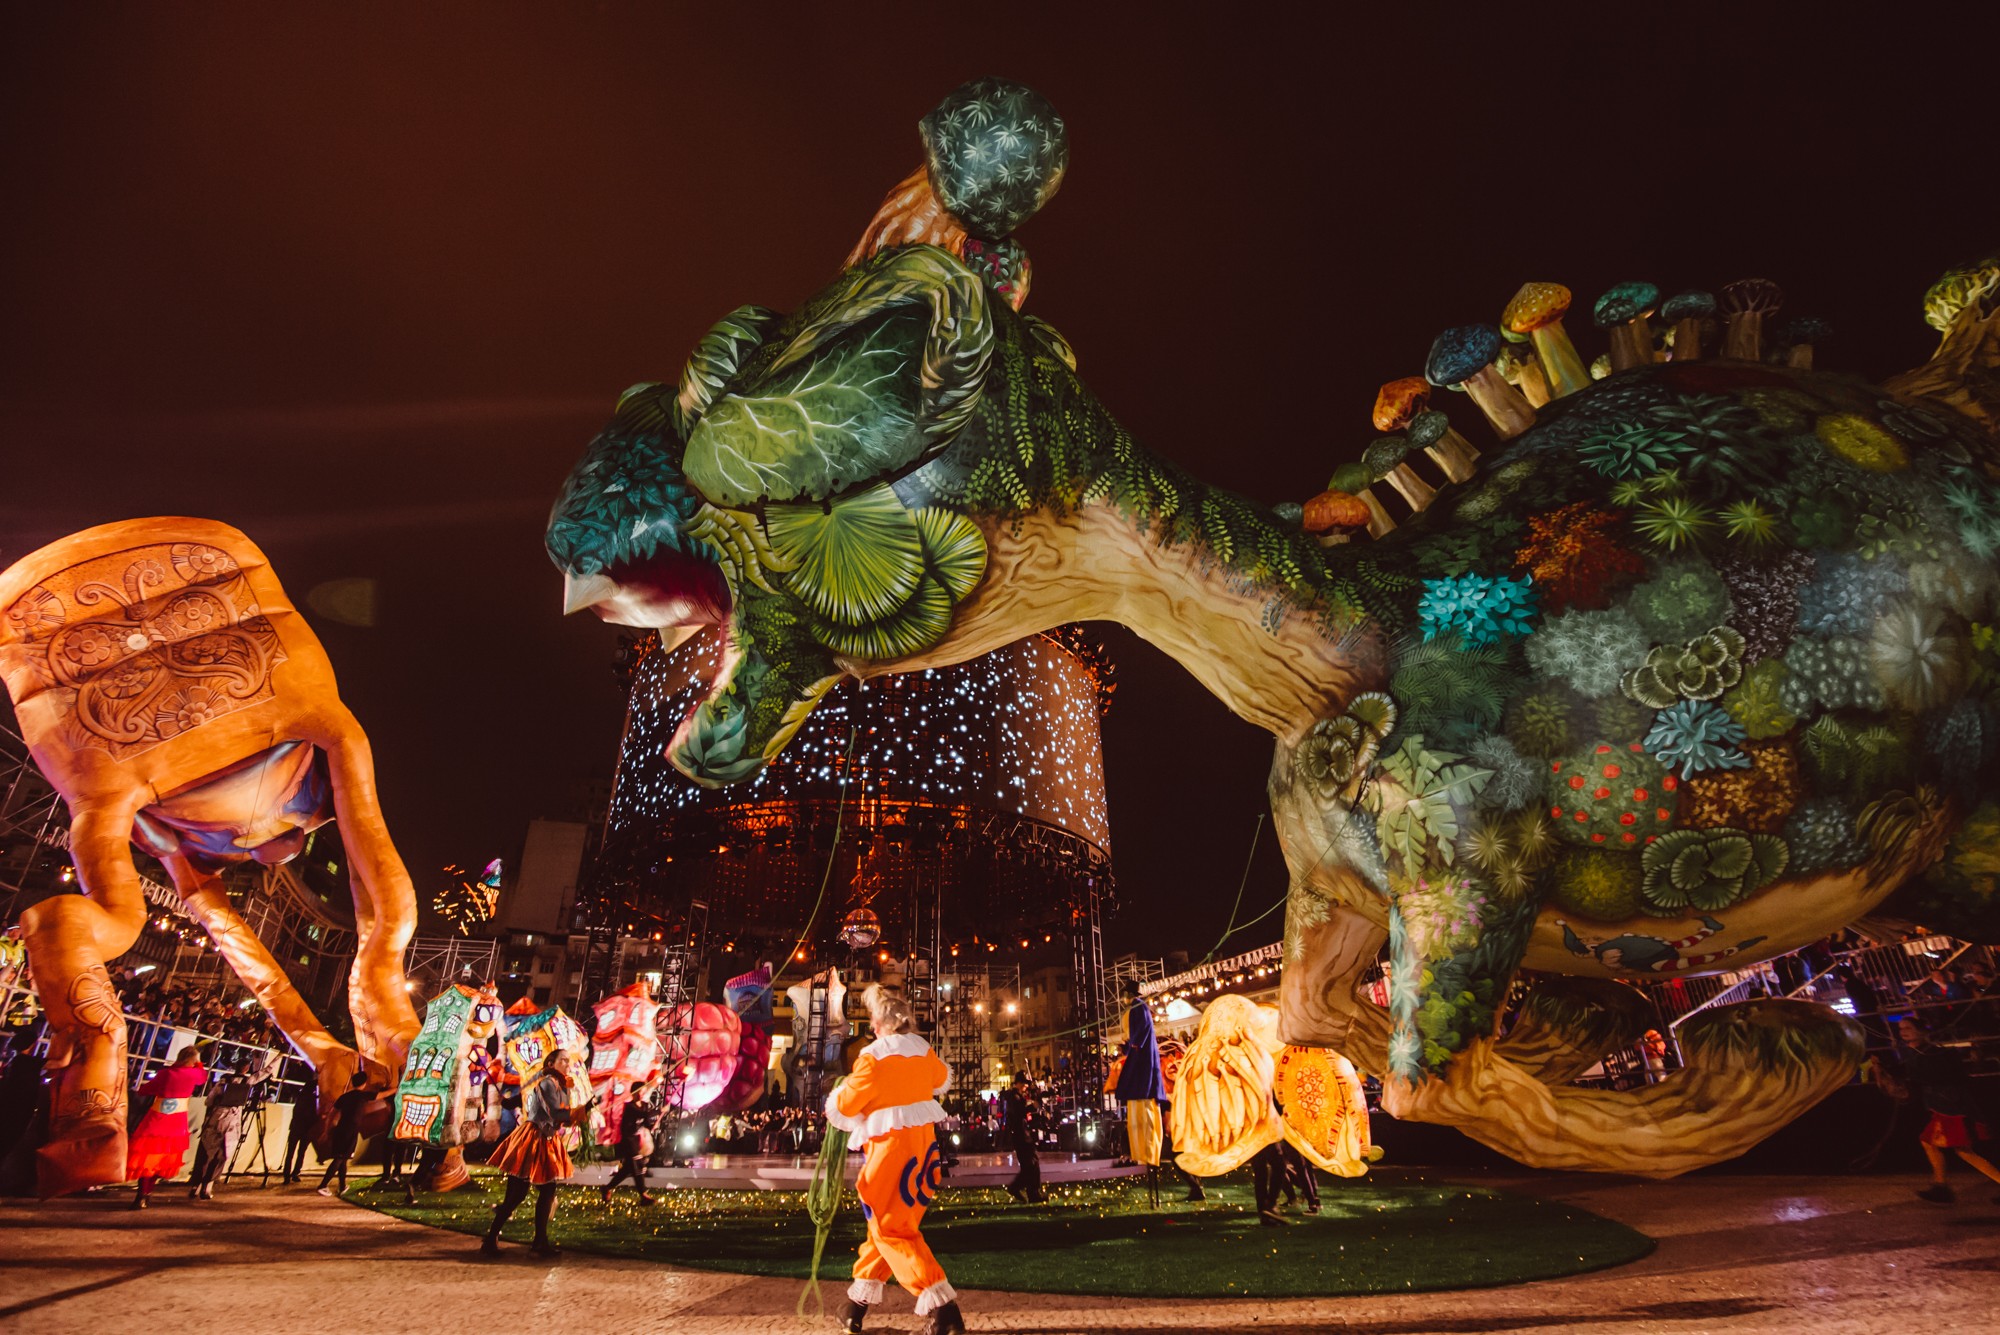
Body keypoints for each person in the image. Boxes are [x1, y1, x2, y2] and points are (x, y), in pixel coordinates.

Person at [826, 986, 961, 1335]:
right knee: (889, 1226)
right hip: (924, 1155)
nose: (871, 1025)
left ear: (881, 1023)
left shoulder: (873, 1057)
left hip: (890, 1153)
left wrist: (841, 1090)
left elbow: (844, 1106)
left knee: (890, 1228)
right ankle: (855, 1306)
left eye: (873, 1019)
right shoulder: (923, 1050)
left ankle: (943, 1308)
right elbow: (941, 1079)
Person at [483, 1049, 593, 1256]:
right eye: (563, 1060)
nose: (567, 1064)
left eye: (568, 1061)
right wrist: (580, 1110)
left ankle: (531, 1241)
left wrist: (582, 1111)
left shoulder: (561, 1085)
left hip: (546, 1138)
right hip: (533, 1139)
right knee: (522, 1194)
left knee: (538, 1192)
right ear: (550, 1064)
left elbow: (563, 1118)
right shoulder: (547, 1083)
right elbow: (556, 1113)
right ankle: (513, 1240)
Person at [1891, 1016, 2000, 1205]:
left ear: (1921, 1031)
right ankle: (1941, 1187)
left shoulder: (1934, 1053)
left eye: (1908, 1028)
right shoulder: (1914, 1053)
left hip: (1951, 1107)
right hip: (1943, 1106)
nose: (1903, 1032)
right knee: (1935, 1144)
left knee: (1962, 1150)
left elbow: (1934, 1076)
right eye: (1901, 1029)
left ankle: (1942, 1188)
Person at [128, 1046, 208, 1207]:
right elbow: (203, 1077)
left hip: (157, 1120)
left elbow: (145, 1090)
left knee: (147, 1159)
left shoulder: (166, 1073)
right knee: (163, 1160)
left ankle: (141, 1195)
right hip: (177, 1124)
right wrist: (199, 1064)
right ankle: (147, 1193)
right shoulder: (194, 1073)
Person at [1113, 981, 1165, 1176]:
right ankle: (1143, 1154)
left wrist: (1133, 1044)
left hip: (1142, 1065)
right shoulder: (1138, 1007)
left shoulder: (1138, 1007)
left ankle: (1147, 1154)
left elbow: (1140, 1033)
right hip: (1140, 1060)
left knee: (1144, 1110)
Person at [190, 1060, 253, 1199]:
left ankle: (196, 1186)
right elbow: (263, 1073)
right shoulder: (247, 1082)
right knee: (221, 1155)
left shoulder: (224, 1081)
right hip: (231, 1122)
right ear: (247, 1068)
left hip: (216, 1118)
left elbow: (209, 1101)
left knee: (205, 1153)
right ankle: (207, 1187)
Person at [601, 1076, 660, 1205]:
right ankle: (643, 1195)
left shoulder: (644, 1105)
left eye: (643, 1092)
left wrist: (651, 1126)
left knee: (628, 1169)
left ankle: (607, 1188)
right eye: (639, 1092)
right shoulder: (629, 1107)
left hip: (638, 1140)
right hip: (628, 1140)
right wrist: (660, 1110)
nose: (641, 1094)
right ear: (633, 1093)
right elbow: (644, 1115)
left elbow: (646, 1121)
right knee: (638, 1165)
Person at [316, 1071, 375, 1196]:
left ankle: (342, 1186)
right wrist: (397, 1088)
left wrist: (326, 1131)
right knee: (340, 1158)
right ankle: (323, 1185)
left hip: (340, 1129)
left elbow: (331, 1114)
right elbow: (382, 1094)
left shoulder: (344, 1097)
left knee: (343, 1159)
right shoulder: (363, 1096)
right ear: (364, 1083)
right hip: (350, 1131)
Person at [1001, 1072, 1044, 1204]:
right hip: (1020, 1135)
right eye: (1024, 1083)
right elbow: (1019, 1112)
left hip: (1023, 1134)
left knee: (1032, 1164)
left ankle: (1032, 1193)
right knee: (1030, 1165)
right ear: (1018, 1083)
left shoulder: (1017, 1096)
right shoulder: (1013, 1097)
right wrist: (1032, 1106)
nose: (1026, 1086)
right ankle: (1019, 1188)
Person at [281, 1075, 320, 1184]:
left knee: (291, 1153)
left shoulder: (300, 1100)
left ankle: (287, 1175)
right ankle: (295, 1173)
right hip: (306, 1129)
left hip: (296, 1128)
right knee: (301, 1152)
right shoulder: (313, 1102)